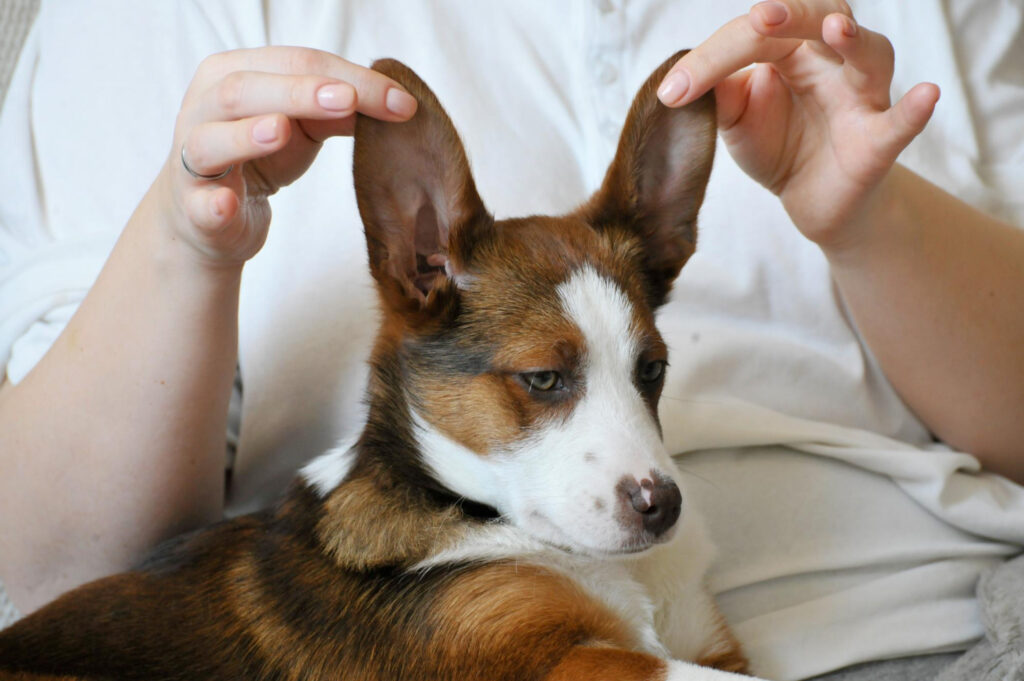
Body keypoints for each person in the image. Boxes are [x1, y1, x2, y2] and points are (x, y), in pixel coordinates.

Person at [0, 1, 1022, 679]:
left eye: (643, 374)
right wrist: (185, 241)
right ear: (414, 267)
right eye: (545, 380)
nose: (645, 472)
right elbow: (42, 564)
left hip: (954, 620)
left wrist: (871, 217)